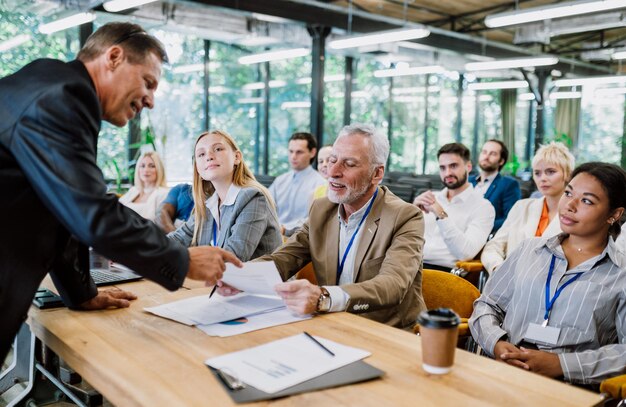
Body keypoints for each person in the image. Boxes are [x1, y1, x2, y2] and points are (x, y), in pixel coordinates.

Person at [0, 22, 241, 363]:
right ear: (113, 57)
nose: (151, 101)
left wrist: (81, 293)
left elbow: (61, 210)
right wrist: (183, 260)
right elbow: (92, 215)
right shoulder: (63, 98)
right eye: (148, 82)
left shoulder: (51, 85)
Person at [237, 124, 426, 329]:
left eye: (349, 164)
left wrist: (324, 297)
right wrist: (239, 276)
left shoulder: (405, 216)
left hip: (383, 331)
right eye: (332, 160)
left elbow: (392, 286)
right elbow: (285, 258)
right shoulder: (322, 208)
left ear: (376, 174)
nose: (333, 172)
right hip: (332, 324)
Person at [469, 162, 626, 386]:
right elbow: (487, 305)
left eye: (587, 201)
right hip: (502, 373)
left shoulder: (620, 274)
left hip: (568, 389)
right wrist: (496, 343)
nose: (569, 205)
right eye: (568, 193)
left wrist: (562, 365)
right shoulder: (528, 250)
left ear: (614, 214)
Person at [168, 130, 282, 261]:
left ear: (237, 157)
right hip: (221, 281)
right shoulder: (208, 205)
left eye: (217, 149)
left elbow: (232, 259)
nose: (209, 156)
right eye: (201, 154)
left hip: (262, 281)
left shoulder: (252, 198)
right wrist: (146, 251)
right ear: (198, 169)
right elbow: (177, 239)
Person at [481, 142, 575, 273]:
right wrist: (498, 268)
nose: (542, 178)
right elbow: (493, 246)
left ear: (568, 174)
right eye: (537, 173)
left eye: (550, 172)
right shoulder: (522, 207)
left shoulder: (575, 214)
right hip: (510, 281)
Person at [413, 143, 495, 270]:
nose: (448, 173)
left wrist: (441, 215)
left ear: (468, 167)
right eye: (442, 168)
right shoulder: (430, 198)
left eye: (453, 166)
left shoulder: (483, 207)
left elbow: (466, 253)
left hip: (446, 274)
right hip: (410, 267)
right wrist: (411, 215)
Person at [269, 132, 325, 236]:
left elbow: (314, 220)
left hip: (300, 239)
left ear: (312, 152)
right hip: (274, 236)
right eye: (291, 151)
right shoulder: (280, 181)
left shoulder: (320, 184)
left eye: (299, 152)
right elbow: (266, 208)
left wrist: (285, 229)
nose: (293, 156)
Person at [470, 139, 521, 233]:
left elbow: (510, 218)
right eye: (484, 152)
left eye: (492, 154)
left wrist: (480, 227)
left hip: (488, 235)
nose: (486, 156)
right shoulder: (468, 181)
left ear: (501, 161)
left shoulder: (508, 184)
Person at [119, 150, 170, 221]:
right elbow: (116, 209)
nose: (146, 170)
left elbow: (157, 222)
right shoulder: (134, 190)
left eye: (151, 166)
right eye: (142, 166)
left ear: (159, 169)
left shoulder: (164, 193)